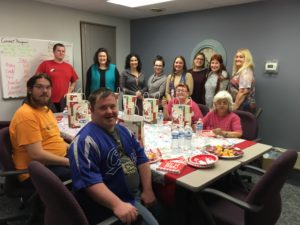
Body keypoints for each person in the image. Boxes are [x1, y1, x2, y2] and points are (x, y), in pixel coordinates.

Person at [67, 88, 159, 225]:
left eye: (112, 106)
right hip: (110, 203)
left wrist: (148, 189)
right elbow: (89, 182)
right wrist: (117, 205)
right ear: (91, 111)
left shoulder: (124, 130)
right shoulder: (84, 142)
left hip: (134, 194)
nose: (110, 111)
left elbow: (142, 158)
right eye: (103, 108)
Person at [9, 73, 70, 185]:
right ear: (30, 90)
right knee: (86, 171)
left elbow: (55, 138)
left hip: (53, 161)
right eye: (39, 87)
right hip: (36, 170)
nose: (45, 91)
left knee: (91, 161)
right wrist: (68, 162)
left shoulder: (45, 109)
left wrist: (73, 148)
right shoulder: (26, 115)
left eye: (48, 87)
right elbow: (36, 154)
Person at [35, 43, 78, 112]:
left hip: (64, 101)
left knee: (63, 121)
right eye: (59, 51)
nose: (61, 53)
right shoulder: (45, 64)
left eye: (63, 51)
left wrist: (70, 90)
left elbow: (74, 80)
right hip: (48, 100)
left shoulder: (69, 67)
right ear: (54, 52)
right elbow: (36, 79)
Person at [228, 48, 256, 113]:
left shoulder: (246, 71)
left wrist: (235, 106)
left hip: (243, 107)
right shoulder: (241, 71)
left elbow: (243, 91)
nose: (237, 59)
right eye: (236, 57)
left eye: (241, 57)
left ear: (246, 59)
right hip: (240, 106)